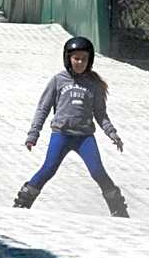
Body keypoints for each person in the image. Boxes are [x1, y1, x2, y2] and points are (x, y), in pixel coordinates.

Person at [14, 36, 129, 217]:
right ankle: (22, 203)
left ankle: (118, 209)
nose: (80, 62)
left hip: (84, 137)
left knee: (98, 171)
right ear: (68, 59)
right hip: (61, 134)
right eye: (76, 58)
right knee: (48, 169)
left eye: (84, 59)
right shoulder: (58, 81)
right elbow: (43, 109)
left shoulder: (94, 85)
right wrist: (33, 134)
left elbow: (100, 114)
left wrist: (112, 133)